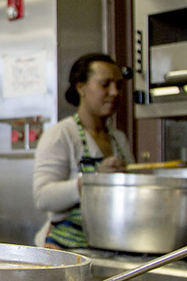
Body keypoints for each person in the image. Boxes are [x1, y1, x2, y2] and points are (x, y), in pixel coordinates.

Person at [32, 53, 134, 249]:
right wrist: (93, 180)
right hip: (64, 249)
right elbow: (43, 197)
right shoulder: (62, 135)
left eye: (118, 85)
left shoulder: (118, 139)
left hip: (108, 245)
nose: (114, 92)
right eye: (105, 84)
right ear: (81, 88)